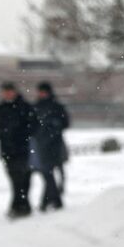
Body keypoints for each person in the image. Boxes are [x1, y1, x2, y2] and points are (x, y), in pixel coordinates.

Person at [0, 81, 39, 219]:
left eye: (9, 91)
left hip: (22, 149)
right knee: (15, 178)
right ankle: (19, 204)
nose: (7, 94)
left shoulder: (25, 107)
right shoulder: (1, 108)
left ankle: (21, 205)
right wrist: (5, 141)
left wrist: (20, 136)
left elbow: (33, 126)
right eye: (5, 91)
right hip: (8, 150)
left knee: (23, 177)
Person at [31, 81, 70, 211]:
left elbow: (65, 123)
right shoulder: (36, 107)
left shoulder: (56, 107)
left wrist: (54, 126)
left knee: (51, 174)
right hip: (41, 145)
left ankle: (50, 201)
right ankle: (53, 200)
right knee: (48, 174)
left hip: (55, 145)